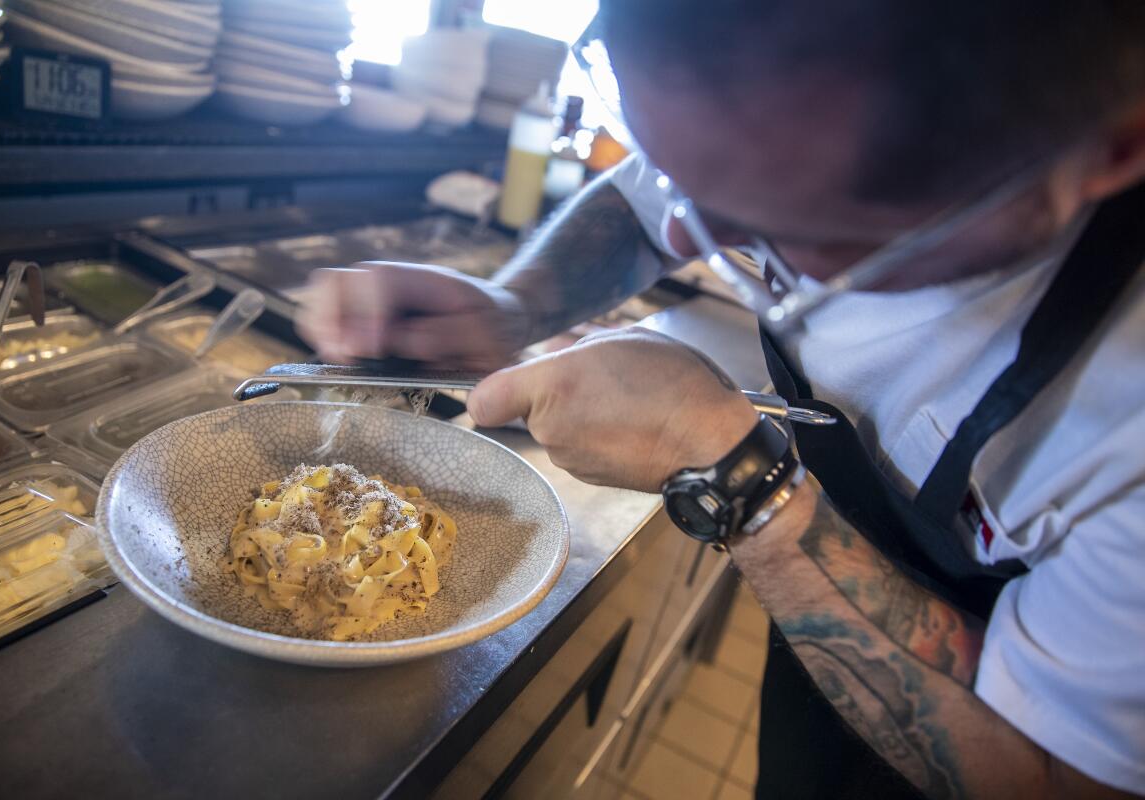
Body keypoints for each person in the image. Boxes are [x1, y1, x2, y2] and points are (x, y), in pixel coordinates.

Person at [298, 1, 1145, 797]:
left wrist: (743, 484)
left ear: (1107, 150)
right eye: (680, 167)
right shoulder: (776, 109)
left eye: (785, 221)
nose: (681, 233)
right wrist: (516, 305)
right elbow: (649, 201)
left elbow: (1062, 775)